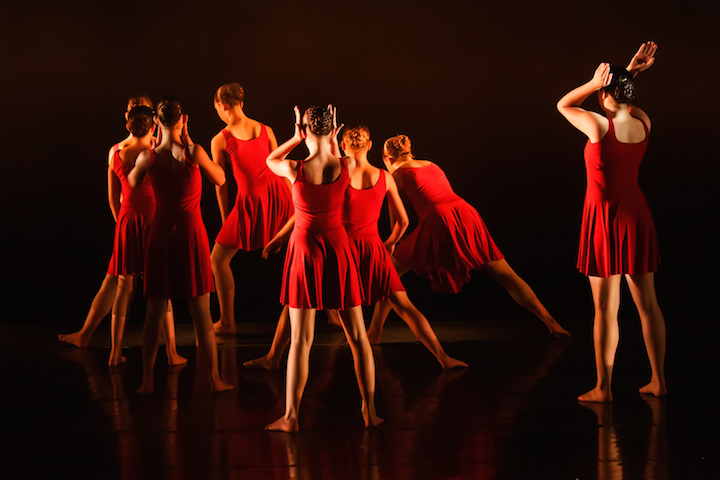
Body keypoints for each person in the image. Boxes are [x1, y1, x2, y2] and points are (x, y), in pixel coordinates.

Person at [246, 125, 467, 370]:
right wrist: (389, 243)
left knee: (297, 302)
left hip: (340, 250)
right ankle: (443, 358)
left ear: (343, 145)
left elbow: (308, 213)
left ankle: (273, 359)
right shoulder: (383, 177)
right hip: (373, 249)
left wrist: (280, 236)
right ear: (370, 145)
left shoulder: (339, 174)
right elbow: (403, 221)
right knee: (404, 305)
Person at [371, 135, 571, 341]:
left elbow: (398, 221)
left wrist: (394, 243)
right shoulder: (431, 164)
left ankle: (375, 332)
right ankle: (551, 322)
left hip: (438, 219)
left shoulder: (395, 176)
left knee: (389, 273)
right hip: (466, 213)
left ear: (388, 159)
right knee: (505, 274)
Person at [556, 42, 666, 402]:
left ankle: (603, 388)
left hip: (604, 218)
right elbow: (622, 100)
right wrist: (627, 75)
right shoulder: (643, 120)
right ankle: (659, 381)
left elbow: (564, 105)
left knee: (605, 309)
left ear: (604, 93)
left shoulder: (597, 125)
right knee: (648, 304)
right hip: (636, 214)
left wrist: (593, 82)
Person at [264, 106, 382, 431]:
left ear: (305, 129)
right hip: (338, 246)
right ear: (333, 131)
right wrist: (331, 143)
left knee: (301, 340)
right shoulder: (347, 165)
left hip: (304, 247)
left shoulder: (293, 167)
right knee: (358, 336)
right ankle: (369, 411)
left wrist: (294, 137)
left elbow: (270, 160)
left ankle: (291, 417)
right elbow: (340, 161)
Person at [59, 97, 185, 367]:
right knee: (160, 287)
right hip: (154, 219)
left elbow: (112, 198)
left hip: (127, 220)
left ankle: (115, 352)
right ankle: (171, 352)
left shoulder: (115, 151)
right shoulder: (155, 149)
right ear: (153, 125)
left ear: (128, 121)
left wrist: (122, 225)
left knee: (123, 287)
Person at [129, 99, 232, 393]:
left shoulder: (149, 157)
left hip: (161, 231)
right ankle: (214, 379)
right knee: (201, 310)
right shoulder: (194, 151)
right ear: (183, 120)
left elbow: (133, 183)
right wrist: (190, 143)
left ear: (156, 123)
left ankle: (147, 381)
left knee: (155, 310)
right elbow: (220, 178)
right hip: (190, 232)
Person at [209, 83, 294, 335]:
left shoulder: (220, 139)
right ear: (241, 103)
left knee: (218, 259)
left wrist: (226, 218)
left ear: (222, 105)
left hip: (252, 202)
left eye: (217, 108)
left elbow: (221, 184)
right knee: (302, 251)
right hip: (280, 196)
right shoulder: (265, 129)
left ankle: (227, 321)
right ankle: (332, 314)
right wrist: (295, 205)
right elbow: (281, 168)